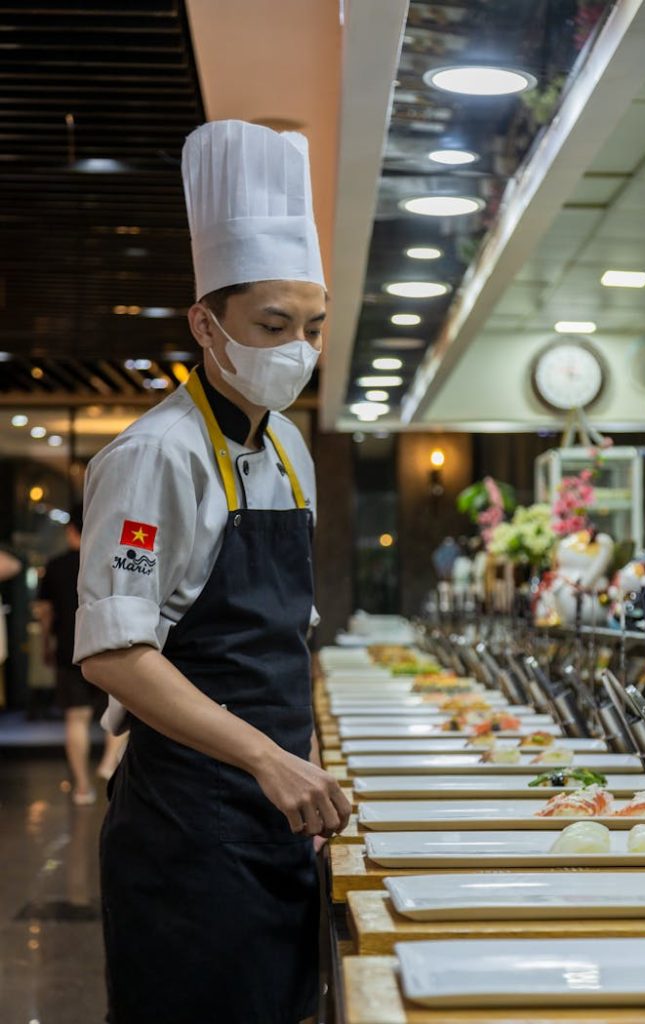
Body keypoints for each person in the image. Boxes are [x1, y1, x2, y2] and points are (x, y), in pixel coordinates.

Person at [74, 120, 352, 1024]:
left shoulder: (293, 449)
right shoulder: (153, 455)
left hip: (275, 809)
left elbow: (276, 633)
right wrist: (268, 760)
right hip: (190, 824)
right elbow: (116, 655)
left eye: (313, 327)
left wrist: (290, 763)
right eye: (272, 325)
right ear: (205, 322)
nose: (297, 350)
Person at [35, 507, 126, 804]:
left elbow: (46, 613)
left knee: (76, 719)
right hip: (107, 646)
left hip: (69, 650)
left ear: (71, 530)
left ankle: (83, 789)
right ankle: (108, 763)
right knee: (121, 712)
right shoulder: (109, 559)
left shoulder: (56, 565)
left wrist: (47, 644)